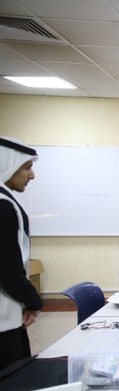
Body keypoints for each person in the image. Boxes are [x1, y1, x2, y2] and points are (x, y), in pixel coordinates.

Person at [0, 137, 43, 370]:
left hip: (10, 312)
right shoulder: (3, 206)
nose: (32, 175)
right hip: (3, 323)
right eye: (27, 167)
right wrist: (34, 301)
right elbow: (8, 270)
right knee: (12, 380)